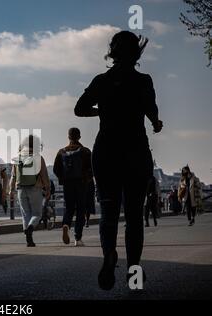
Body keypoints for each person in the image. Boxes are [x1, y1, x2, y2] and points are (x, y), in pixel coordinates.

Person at [74, 31, 163, 290]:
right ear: (136, 53)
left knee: (108, 210)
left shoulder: (102, 80)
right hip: (135, 151)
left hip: (107, 151)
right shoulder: (143, 80)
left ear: (112, 52)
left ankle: (109, 255)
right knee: (134, 215)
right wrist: (156, 123)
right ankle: (133, 274)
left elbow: (80, 108)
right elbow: (152, 113)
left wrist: (101, 110)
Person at [53, 128, 93, 247]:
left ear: (68, 137)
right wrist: (88, 178)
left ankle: (66, 224)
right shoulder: (85, 151)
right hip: (81, 184)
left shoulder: (61, 152)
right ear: (79, 137)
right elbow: (92, 168)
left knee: (69, 208)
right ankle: (78, 238)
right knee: (81, 209)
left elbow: (56, 169)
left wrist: (63, 179)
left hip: (68, 184)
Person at [10, 135, 51, 247]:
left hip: (21, 189)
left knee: (25, 214)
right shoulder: (38, 157)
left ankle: (28, 237)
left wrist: (10, 190)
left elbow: (13, 176)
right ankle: (31, 228)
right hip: (35, 188)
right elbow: (44, 175)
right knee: (37, 214)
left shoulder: (17, 157)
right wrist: (47, 189)